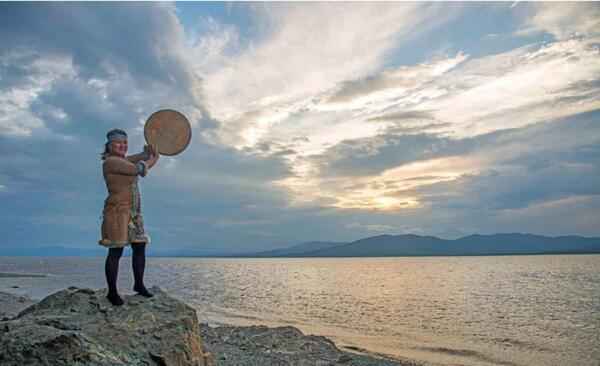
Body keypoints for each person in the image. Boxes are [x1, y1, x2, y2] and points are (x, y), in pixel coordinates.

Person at [98, 128, 159, 306]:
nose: (122, 146)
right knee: (116, 251)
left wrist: (147, 152)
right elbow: (138, 168)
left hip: (133, 213)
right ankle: (112, 292)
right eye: (118, 143)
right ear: (109, 146)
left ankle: (139, 285)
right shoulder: (110, 163)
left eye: (125, 143)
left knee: (139, 247)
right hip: (118, 212)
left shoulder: (121, 160)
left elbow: (137, 157)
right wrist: (153, 159)